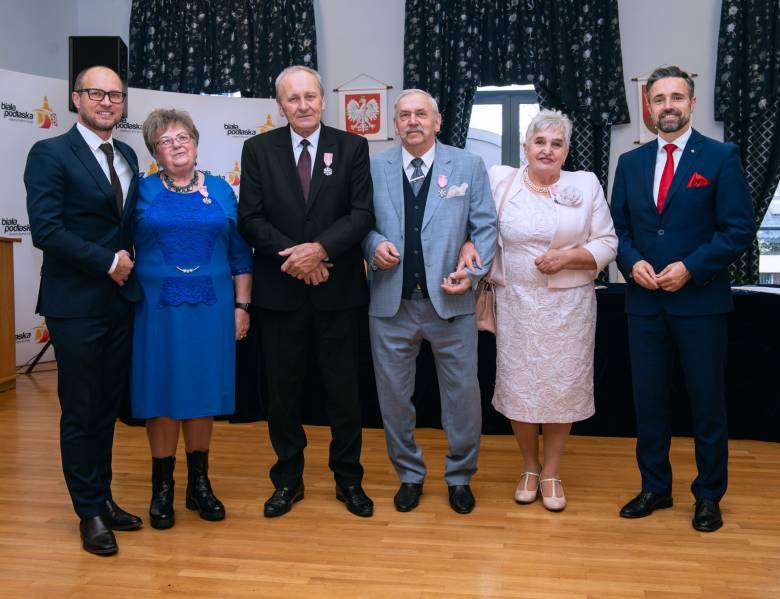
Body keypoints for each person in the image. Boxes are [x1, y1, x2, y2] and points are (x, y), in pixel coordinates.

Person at [611, 66, 755, 532]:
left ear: (692, 104)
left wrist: (691, 267)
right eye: (659, 99)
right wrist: (631, 261)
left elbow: (738, 229)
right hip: (644, 303)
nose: (667, 106)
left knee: (706, 404)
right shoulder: (630, 163)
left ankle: (709, 495)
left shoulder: (720, 157)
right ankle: (655, 487)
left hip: (701, 304)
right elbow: (619, 229)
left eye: (676, 97)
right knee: (649, 402)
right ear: (648, 107)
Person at [463, 109, 618, 511]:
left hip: (569, 307)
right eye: (540, 142)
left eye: (556, 143)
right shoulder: (501, 180)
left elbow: (608, 242)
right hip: (515, 303)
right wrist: (468, 246)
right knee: (520, 387)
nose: (547, 150)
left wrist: (569, 257)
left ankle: (551, 470)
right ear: (526, 147)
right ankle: (529, 466)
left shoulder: (585, 184)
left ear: (566, 151)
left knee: (561, 388)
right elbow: (477, 225)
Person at [238, 65, 375, 518]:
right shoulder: (258, 150)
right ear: (281, 106)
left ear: (323, 100)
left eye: (310, 96)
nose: (303, 105)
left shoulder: (352, 147)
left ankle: (348, 480)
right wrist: (298, 259)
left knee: (344, 393)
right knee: (282, 395)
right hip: (280, 294)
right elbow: (250, 219)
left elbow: (362, 214)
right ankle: (287, 480)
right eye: (293, 99)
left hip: (339, 292)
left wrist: (319, 250)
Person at [24, 66, 143, 555]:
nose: (107, 101)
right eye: (96, 93)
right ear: (76, 99)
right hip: (75, 305)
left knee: (106, 409)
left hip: (120, 303)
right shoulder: (50, 153)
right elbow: (46, 230)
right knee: (80, 409)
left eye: (115, 94)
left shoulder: (129, 155)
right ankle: (88, 512)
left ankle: (104, 498)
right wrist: (108, 262)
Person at [363, 89, 497, 515]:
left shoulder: (468, 165)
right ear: (395, 124)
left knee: (462, 397)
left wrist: (472, 272)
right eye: (404, 115)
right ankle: (409, 474)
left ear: (437, 122)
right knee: (394, 399)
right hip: (391, 305)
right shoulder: (374, 167)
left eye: (421, 114)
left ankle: (460, 476)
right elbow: (361, 223)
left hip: (451, 303)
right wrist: (373, 244)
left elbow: (485, 227)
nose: (413, 121)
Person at [131, 109, 253, 530]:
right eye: (165, 141)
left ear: (196, 143)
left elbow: (240, 253)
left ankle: (199, 484)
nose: (176, 145)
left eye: (183, 137)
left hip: (212, 308)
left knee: (202, 390)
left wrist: (242, 306)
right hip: (156, 309)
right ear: (154, 152)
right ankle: (162, 487)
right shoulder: (141, 191)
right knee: (161, 391)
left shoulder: (220, 189)